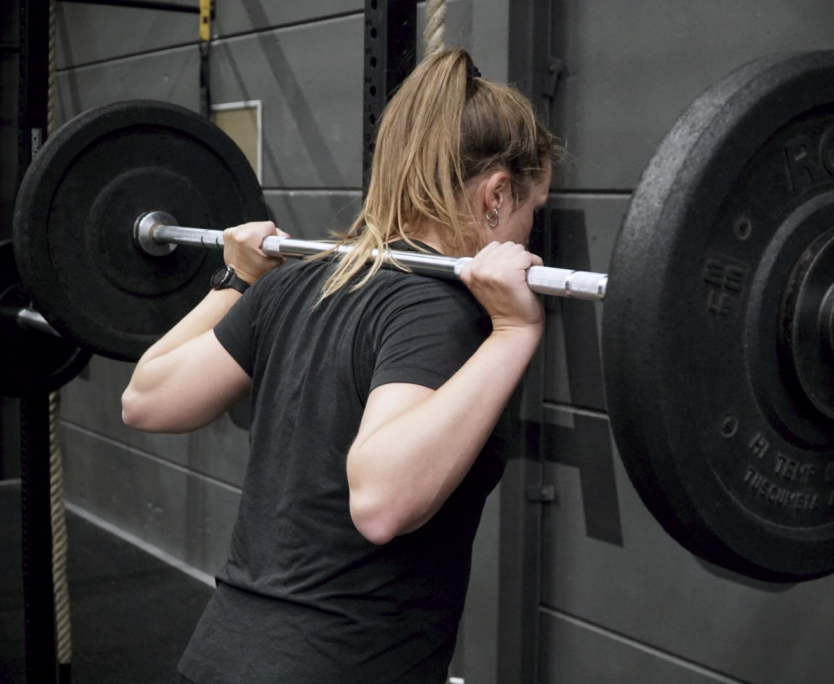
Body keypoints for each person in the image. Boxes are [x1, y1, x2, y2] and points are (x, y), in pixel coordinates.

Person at [121, 47, 555, 684]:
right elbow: (380, 501)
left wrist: (235, 279)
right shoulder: (441, 312)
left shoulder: (297, 284)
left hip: (219, 658)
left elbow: (146, 395)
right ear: (494, 196)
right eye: (531, 211)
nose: (528, 232)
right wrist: (516, 329)